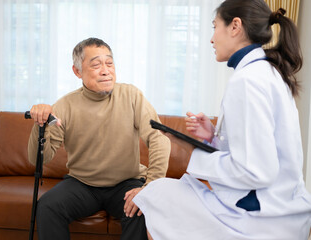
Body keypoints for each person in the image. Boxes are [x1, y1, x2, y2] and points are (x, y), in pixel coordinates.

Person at [133, 0, 311, 239]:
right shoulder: (267, 71)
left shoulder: (247, 80)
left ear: (235, 26)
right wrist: (213, 137)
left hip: (264, 217)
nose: (211, 39)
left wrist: (191, 154)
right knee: (161, 193)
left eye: (214, 26)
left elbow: (257, 171)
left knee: (155, 194)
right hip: (285, 209)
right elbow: (259, 150)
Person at [27, 37, 171, 240]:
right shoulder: (65, 106)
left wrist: (149, 187)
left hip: (126, 182)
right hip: (82, 184)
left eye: (109, 63)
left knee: (141, 209)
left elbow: (159, 139)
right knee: (48, 207)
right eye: (96, 64)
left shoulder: (131, 96)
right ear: (77, 71)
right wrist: (39, 124)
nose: (105, 70)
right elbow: (38, 160)